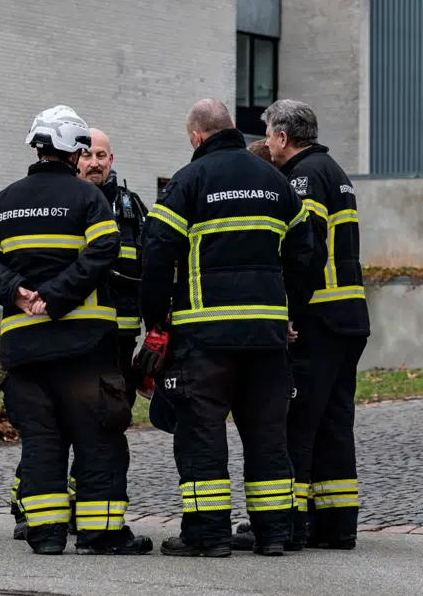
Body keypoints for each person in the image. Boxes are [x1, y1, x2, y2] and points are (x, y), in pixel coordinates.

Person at [0, 105, 151, 556]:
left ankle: (45, 534)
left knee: (42, 439)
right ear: (75, 150)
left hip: (25, 347)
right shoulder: (91, 200)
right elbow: (106, 250)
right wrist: (58, 297)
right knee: (98, 435)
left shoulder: (3, 201)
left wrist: (19, 294)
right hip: (84, 346)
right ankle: (102, 532)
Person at [140, 98, 315, 558]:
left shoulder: (188, 182)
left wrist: (156, 317)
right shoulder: (276, 182)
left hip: (204, 338)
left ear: (196, 136)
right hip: (266, 337)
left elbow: (156, 251)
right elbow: (304, 253)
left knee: (201, 435)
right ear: (233, 127)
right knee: (266, 435)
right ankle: (274, 532)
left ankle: (207, 535)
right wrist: (288, 310)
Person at [241, 100, 371, 551]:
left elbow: (307, 251)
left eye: (271, 137)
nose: (271, 146)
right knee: (334, 424)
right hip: (349, 316)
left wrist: (290, 311)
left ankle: (290, 522)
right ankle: (336, 526)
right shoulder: (334, 171)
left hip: (318, 318)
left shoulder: (304, 177)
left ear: (281, 137)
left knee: (296, 422)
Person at [7, 127, 149, 541]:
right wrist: (52, 296)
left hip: (113, 340)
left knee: (91, 426)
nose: (96, 162)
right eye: (88, 155)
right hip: (69, 335)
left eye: (103, 155)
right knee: (58, 430)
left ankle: (61, 518)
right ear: (74, 157)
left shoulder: (130, 207)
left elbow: (147, 270)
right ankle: (33, 511)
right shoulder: (73, 200)